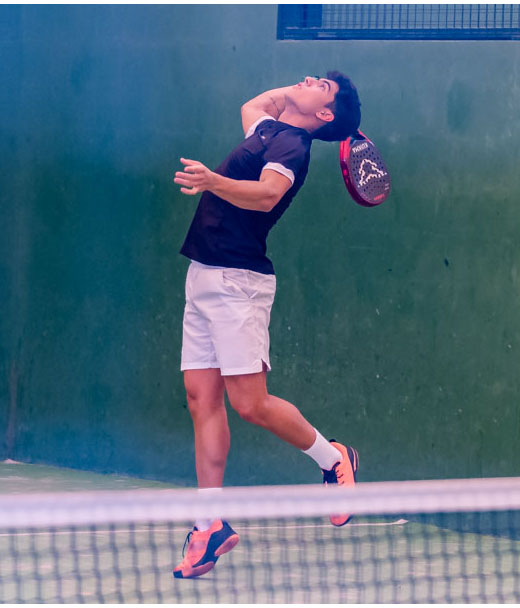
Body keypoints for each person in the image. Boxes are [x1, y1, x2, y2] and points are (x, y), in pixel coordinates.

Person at [171, 73, 363, 579]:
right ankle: (209, 525)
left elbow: (265, 195)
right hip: (203, 273)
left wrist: (212, 181)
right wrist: (301, 96)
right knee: (201, 399)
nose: (311, 78)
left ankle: (332, 458)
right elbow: (252, 103)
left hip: (238, 282)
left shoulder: (292, 145)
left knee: (249, 404)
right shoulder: (269, 129)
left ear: (325, 115)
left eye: (324, 86)